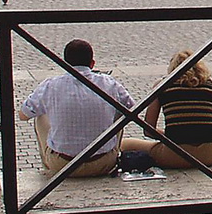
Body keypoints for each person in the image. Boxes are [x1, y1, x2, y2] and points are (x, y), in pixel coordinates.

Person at [18, 39, 135, 177]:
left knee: (39, 114)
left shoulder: (50, 85)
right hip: (103, 162)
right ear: (92, 63)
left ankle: (48, 166)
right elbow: (133, 109)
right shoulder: (109, 83)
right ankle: (109, 150)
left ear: (64, 63)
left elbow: (23, 115)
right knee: (121, 112)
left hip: (62, 165)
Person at [120, 51, 212, 168]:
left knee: (125, 143)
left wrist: (171, 134)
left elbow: (149, 130)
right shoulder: (210, 84)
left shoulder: (162, 85)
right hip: (210, 155)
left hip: (174, 155)